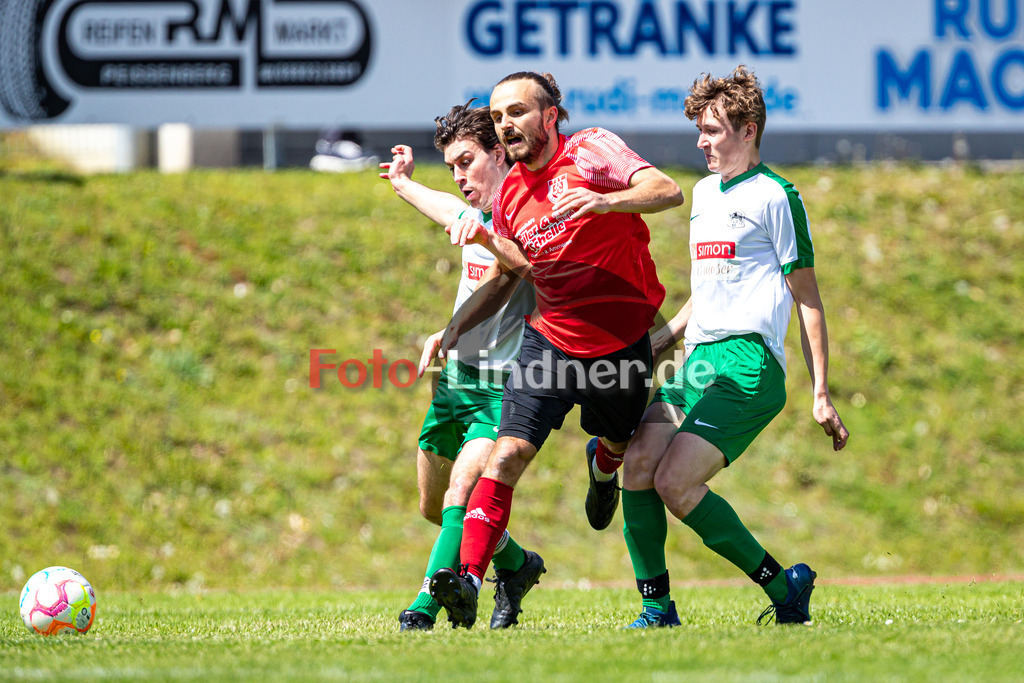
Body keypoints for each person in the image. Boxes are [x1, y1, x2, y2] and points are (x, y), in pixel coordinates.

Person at [428, 71, 684, 628]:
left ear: (549, 116)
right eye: (498, 118)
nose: (506, 125)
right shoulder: (513, 194)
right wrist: (453, 330)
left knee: (615, 438)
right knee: (507, 454)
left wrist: (607, 200)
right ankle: (470, 579)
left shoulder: (593, 150)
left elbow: (668, 190)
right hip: (550, 344)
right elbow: (505, 277)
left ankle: (604, 465)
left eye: (516, 112)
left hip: (619, 347)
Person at [618, 65, 850, 628]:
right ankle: (658, 609)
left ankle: (782, 584)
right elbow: (707, 291)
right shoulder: (701, 194)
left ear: (748, 130)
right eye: (699, 129)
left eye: (713, 130)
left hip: (750, 366)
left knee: (676, 481)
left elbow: (808, 298)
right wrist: (661, 340)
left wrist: (821, 391)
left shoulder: (777, 196)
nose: (701, 141)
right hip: (700, 359)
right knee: (637, 464)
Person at [378, 100, 544, 631]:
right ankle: (516, 565)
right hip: (453, 385)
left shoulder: (528, 215)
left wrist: (483, 229)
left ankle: (423, 608)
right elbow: (446, 209)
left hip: (505, 389)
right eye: (451, 166)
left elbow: (527, 267)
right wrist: (403, 183)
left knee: (461, 493)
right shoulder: (472, 214)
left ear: (500, 154)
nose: (458, 175)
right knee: (434, 507)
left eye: (466, 161)